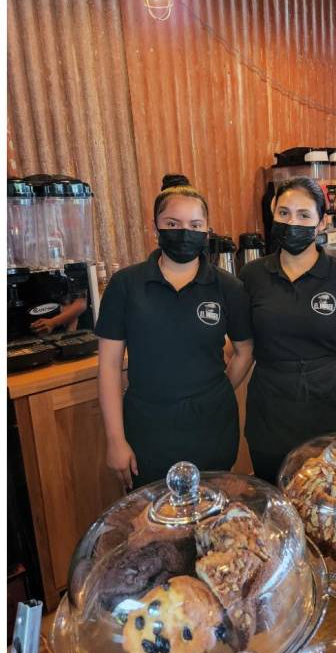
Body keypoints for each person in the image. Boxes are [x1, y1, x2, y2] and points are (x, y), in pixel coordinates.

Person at [96, 177, 254, 489]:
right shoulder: (125, 285)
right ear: (155, 227)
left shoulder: (228, 287)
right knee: (154, 525)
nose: (185, 232)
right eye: (173, 222)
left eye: (195, 224)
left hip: (212, 426)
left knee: (213, 516)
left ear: (207, 230)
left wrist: (218, 389)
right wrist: (115, 440)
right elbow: (109, 366)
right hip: (147, 428)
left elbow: (245, 348)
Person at [239, 177, 336, 482]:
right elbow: (241, 348)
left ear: (322, 222)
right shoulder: (252, 275)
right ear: (272, 213)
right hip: (270, 410)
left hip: (329, 407)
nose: (292, 222)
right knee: (273, 501)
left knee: (327, 503)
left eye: (303, 215)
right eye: (284, 213)